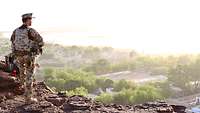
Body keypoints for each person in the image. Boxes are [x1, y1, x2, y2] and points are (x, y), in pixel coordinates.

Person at [10, 13, 44, 104]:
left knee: (22, 74)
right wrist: (36, 47)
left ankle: (22, 90)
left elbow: (12, 43)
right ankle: (28, 99)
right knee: (29, 76)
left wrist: (15, 55)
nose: (31, 21)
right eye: (30, 19)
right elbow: (41, 41)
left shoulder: (15, 31)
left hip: (18, 56)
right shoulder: (30, 31)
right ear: (27, 20)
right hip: (28, 57)